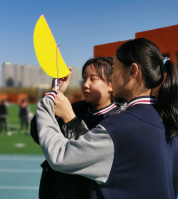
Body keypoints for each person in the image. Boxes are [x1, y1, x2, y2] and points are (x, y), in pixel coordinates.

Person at [36, 38, 178, 199]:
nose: (111, 76)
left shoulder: (120, 126)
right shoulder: (166, 118)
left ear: (132, 71)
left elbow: (60, 157)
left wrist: (50, 98)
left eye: (114, 69)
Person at [31, 57, 127, 199]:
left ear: (111, 84)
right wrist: (56, 92)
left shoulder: (118, 119)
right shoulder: (76, 107)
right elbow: (38, 134)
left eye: (93, 79)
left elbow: (87, 153)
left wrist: (71, 119)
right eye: (84, 78)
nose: (85, 85)